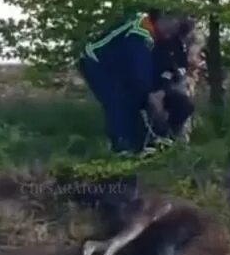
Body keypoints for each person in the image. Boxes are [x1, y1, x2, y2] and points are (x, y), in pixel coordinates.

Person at [77, 9, 188, 153]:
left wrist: (160, 90)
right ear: (162, 17)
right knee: (117, 100)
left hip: (118, 67)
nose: (176, 27)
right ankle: (122, 147)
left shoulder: (158, 37)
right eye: (175, 21)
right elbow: (139, 72)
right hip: (96, 62)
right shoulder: (140, 33)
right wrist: (151, 96)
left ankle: (140, 145)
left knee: (132, 98)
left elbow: (160, 68)